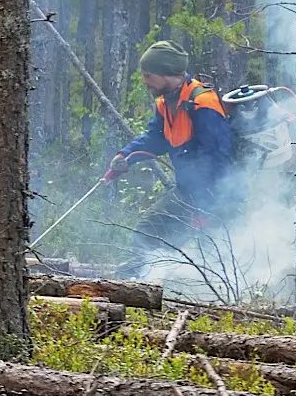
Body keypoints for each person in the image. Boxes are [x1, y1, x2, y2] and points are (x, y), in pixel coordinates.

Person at [101, 42, 235, 260]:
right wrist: (125, 156)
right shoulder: (166, 103)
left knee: (212, 256)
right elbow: (156, 138)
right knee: (147, 233)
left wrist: (205, 208)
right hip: (186, 191)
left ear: (166, 73)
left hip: (214, 197)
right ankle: (138, 285)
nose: (144, 81)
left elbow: (218, 160)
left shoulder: (203, 104)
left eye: (148, 75)